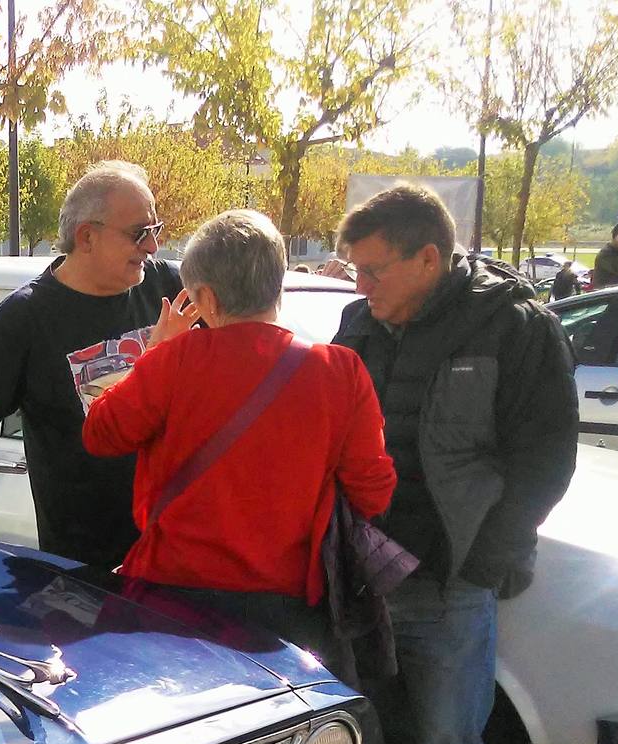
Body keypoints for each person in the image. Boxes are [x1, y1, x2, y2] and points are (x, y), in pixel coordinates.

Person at [331, 184, 578, 744]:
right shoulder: (357, 323)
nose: (359, 287)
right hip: (366, 574)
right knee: (374, 735)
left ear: (428, 258)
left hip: (450, 581)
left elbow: (546, 458)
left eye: (372, 270)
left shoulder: (513, 325)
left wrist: (488, 557)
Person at [81, 209, 395, 675]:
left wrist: (155, 351)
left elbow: (101, 434)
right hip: (288, 607)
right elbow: (374, 491)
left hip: (173, 595)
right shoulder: (340, 370)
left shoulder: (174, 361)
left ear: (206, 296)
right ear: (277, 285)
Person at [0, 161, 186, 570]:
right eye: (140, 234)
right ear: (87, 236)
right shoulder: (27, 316)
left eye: (155, 231)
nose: (153, 247)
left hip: (175, 551)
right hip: (86, 571)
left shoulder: (169, 287)